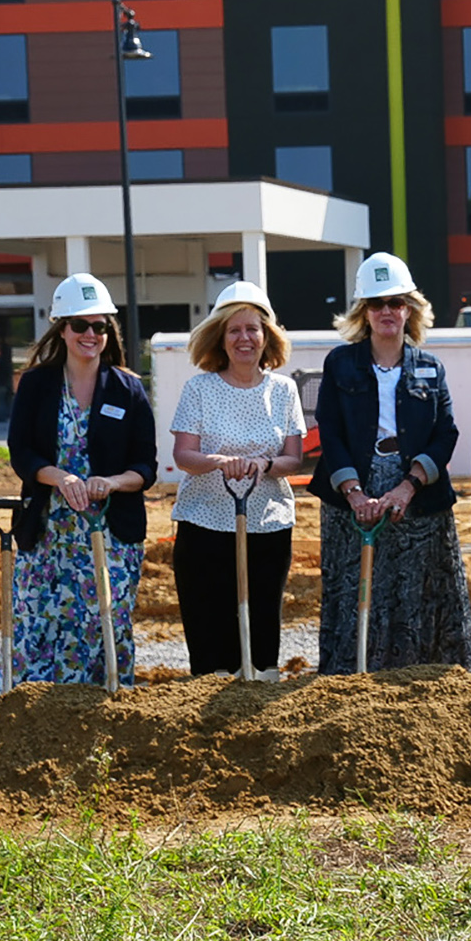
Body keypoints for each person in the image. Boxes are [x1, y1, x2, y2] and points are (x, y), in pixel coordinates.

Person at [311, 252, 471, 673]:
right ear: (363, 312)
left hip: (417, 501)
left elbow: (447, 433)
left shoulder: (430, 367)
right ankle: (351, 678)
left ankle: (419, 678)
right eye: (376, 303)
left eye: (396, 303)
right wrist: (354, 493)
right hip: (353, 498)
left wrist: (408, 486)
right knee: (356, 593)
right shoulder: (339, 363)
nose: (387, 312)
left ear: (410, 309)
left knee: (416, 593)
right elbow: (329, 432)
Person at [5, 273, 157, 686]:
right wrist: (61, 478)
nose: (90, 334)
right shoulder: (36, 385)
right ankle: (30, 712)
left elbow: (146, 467)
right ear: (62, 328)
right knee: (37, 623)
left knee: (102, 623)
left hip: (111, 534)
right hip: (49, 531)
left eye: (100, 326)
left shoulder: (128, 389)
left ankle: (100, 707)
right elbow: (21, 453)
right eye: (80, 325)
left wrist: (110, 482)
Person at [170, 280, 306, 679]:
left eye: (252, 329)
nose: (244, 338)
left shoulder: (283, 391)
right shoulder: (199, 389)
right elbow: (184, 455)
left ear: (267, 336)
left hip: (267, 524)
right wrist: (220, 461)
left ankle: (260, 689)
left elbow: (293, 458)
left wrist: (263, 466)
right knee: (211, 624)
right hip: (204, 524)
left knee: (262, 617)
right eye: (234, 330)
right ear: (221, 338)